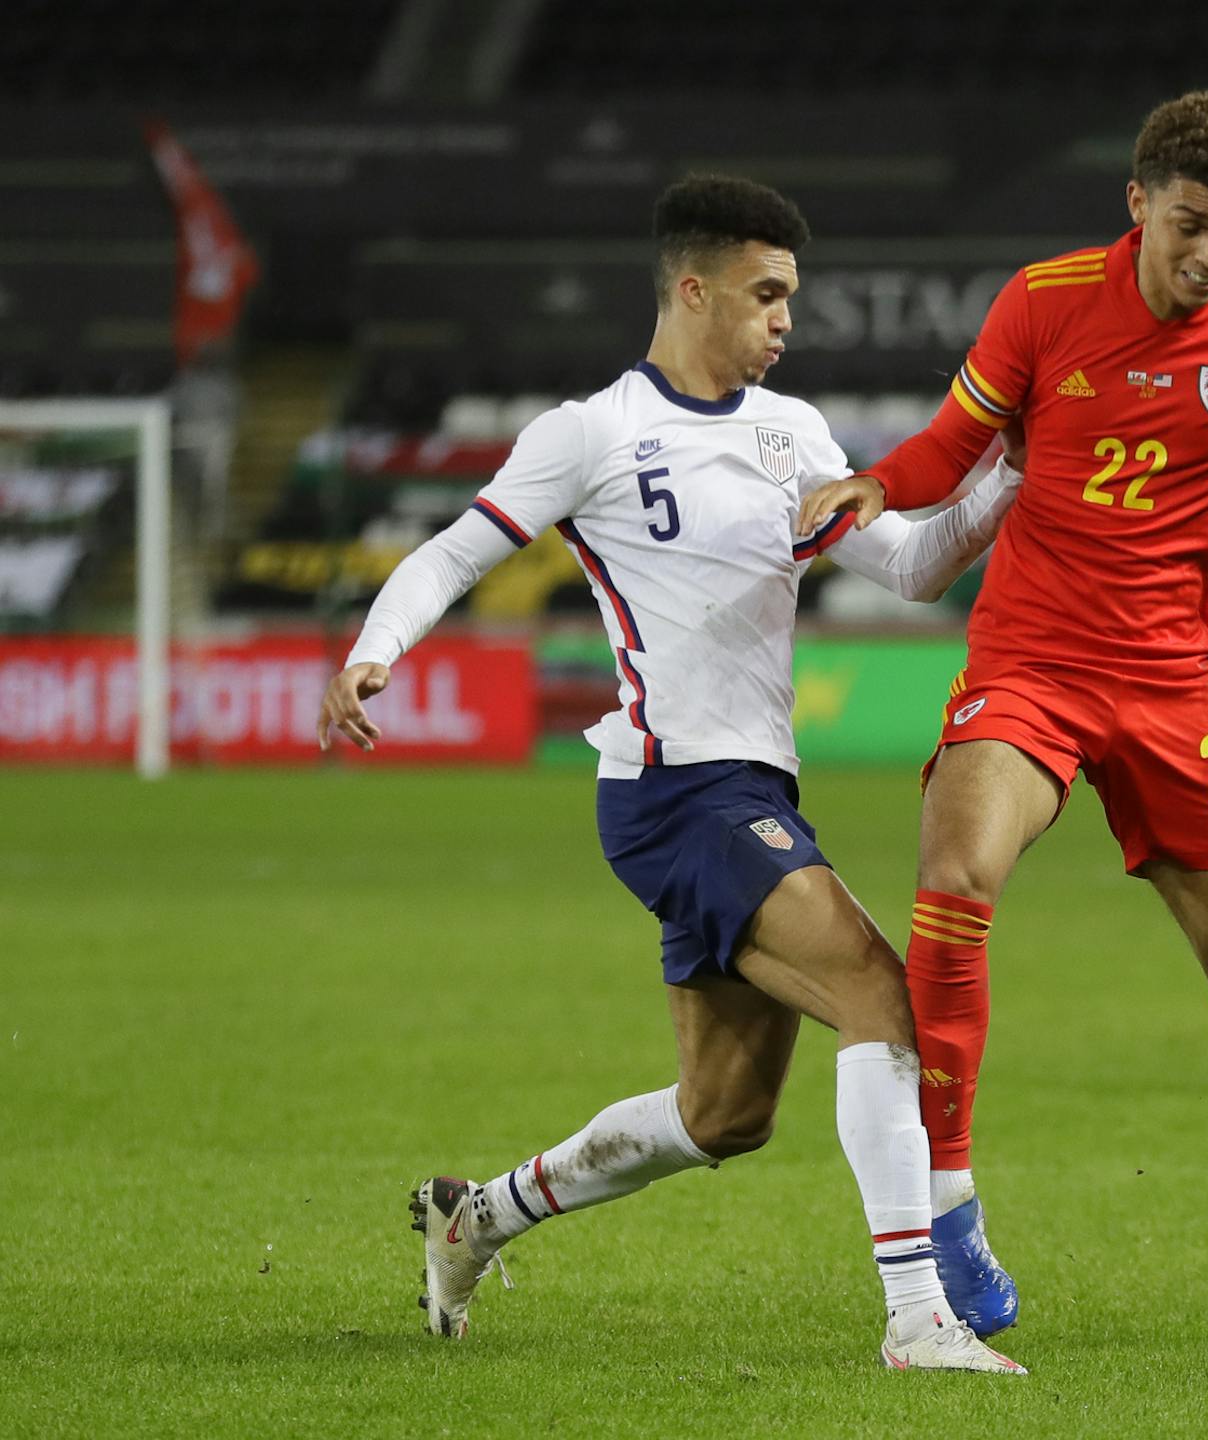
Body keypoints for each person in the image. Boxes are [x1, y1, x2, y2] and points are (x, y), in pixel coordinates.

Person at [317, 174, 1028, 1373]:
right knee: (880, 994)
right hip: (674, 792)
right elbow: (453, 550)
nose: (784, 319)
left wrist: (1004, 481)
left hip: (752, 791)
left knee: (724, 1115)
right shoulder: (589, 432)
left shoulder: (791, 430)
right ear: (692, 289)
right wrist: (373, 652)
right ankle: (917, 1320)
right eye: (767, 294)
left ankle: (475, 1216)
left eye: (790, 297)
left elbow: (908, 567)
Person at [797, 92, 1208, 1348]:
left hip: (1168, 686)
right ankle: (946, 1203)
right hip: (1032, 659)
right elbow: (951, 446)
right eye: (1194, 226)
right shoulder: (1042, 301)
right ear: (1139, 202)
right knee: (954, 872)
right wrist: (878, 482)